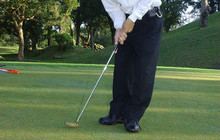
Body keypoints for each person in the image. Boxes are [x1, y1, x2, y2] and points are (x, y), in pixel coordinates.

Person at [100, 0, 163, 132]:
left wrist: (133, 18)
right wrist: (119, 28)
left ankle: (132, 117)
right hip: (125, 19)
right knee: (122, 67)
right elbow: (113, 7)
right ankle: (118, 112)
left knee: (144, 70)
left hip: (149, 19)